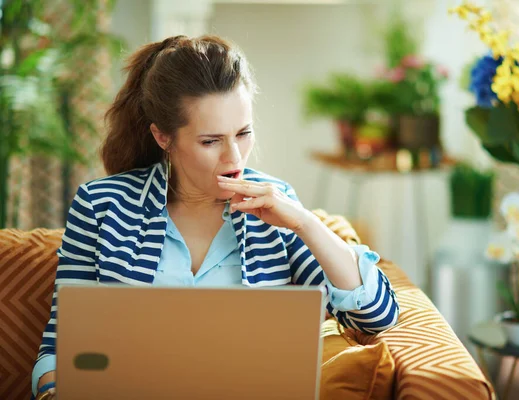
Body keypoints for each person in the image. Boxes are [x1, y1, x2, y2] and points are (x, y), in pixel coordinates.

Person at [32, 35, 400, 399]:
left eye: (243, 134)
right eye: (210, 141)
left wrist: (304, 223)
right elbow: (60, 344)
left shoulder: (278, 207)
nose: (234, 159)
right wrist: (51, 390)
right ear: (163, 137)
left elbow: (376, 317)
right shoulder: (101, 204)